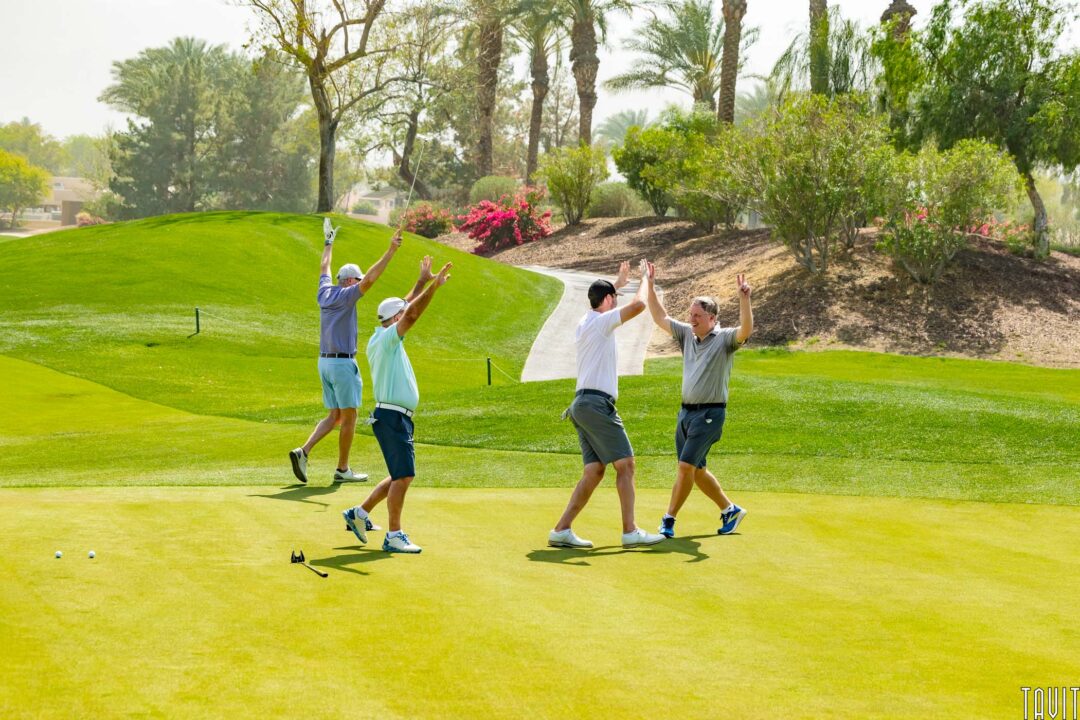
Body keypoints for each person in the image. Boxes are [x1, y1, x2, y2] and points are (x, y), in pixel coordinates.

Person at [548, 260, 666, 550]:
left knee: (594, 471)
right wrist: (645, 280)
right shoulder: (602, 323)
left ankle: (561, 530)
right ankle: (630, 531)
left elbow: (604, 301)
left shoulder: (585, 321)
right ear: (609, 301)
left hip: (581, 405)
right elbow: (639, 307)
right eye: (614, 299)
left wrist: (618, 283)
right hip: (597, 405)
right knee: (626, 465)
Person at [341, 259, 453, 554]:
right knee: (404, 475)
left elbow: (405, 304)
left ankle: (359, 513)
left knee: (398, 472)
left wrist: (420, 281)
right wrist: (434, 286)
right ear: (395, 320)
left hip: (395, 417)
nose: (405, 318)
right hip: (392, 417)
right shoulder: (389, 339)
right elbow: (412, 312)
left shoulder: (382, 335)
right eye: (401, 316)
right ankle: (393, 535)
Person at [288, 218, 400, 485]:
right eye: (357, 280)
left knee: (335, 415)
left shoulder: (325, 291)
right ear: (349, 280)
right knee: (349, 416)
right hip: (341, 364)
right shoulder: (347, 294)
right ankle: (342, 469)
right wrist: (391, 250)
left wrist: (328, 242)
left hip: (324, 363)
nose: (360, 283)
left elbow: (324, 265)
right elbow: (372, 277)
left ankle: (303, 452)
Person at [645, 262, 754, 537]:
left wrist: (745, 299)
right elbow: (660, 317)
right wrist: (650, 284)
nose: (692, 319)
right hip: (685, 414)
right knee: (697, 470)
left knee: (685, 467)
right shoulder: (686, 335)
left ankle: (668, 519)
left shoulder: (725, 339)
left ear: (712, 318)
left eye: (698, 315)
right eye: (691, 314)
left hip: (709, 414)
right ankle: (730, 510)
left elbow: (746, 330)